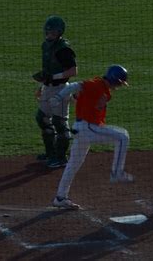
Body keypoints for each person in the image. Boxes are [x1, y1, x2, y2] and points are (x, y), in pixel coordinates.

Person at [49, 65, 134, 209]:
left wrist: (74, 98)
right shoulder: (96, 84)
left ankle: (60, 197)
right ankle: (117, 173)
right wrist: (58, 97)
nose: (120, 86)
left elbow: (77, 96)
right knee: (122, 137)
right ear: (115, 80)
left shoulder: (105, 90)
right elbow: (75, 86)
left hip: (84, 129)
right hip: (87, 128)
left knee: (73, 165)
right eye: (120, 83)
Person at [33, 15, 78, 168]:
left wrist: (54, 77)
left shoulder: (63, 49)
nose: (49, 35)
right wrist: (43, 84)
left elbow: (73, 71)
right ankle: (50, 153)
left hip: (61, 89)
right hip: (48, 87)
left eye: (52, 33)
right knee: (42, 118)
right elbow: (48, 70)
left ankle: (61, 157)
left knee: (59, 122)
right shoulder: (45, 46)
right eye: (47, 32)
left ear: (59, 33)